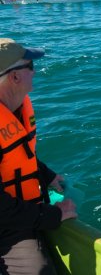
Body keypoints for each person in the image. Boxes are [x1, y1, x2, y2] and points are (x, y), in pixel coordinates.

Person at [0, 38, 77, 274]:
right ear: (14, 77)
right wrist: (53, 214)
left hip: (19, 210)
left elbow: (17, 155)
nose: (35, 73)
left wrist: (47, 175)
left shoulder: (16, 108)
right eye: (31, 67)